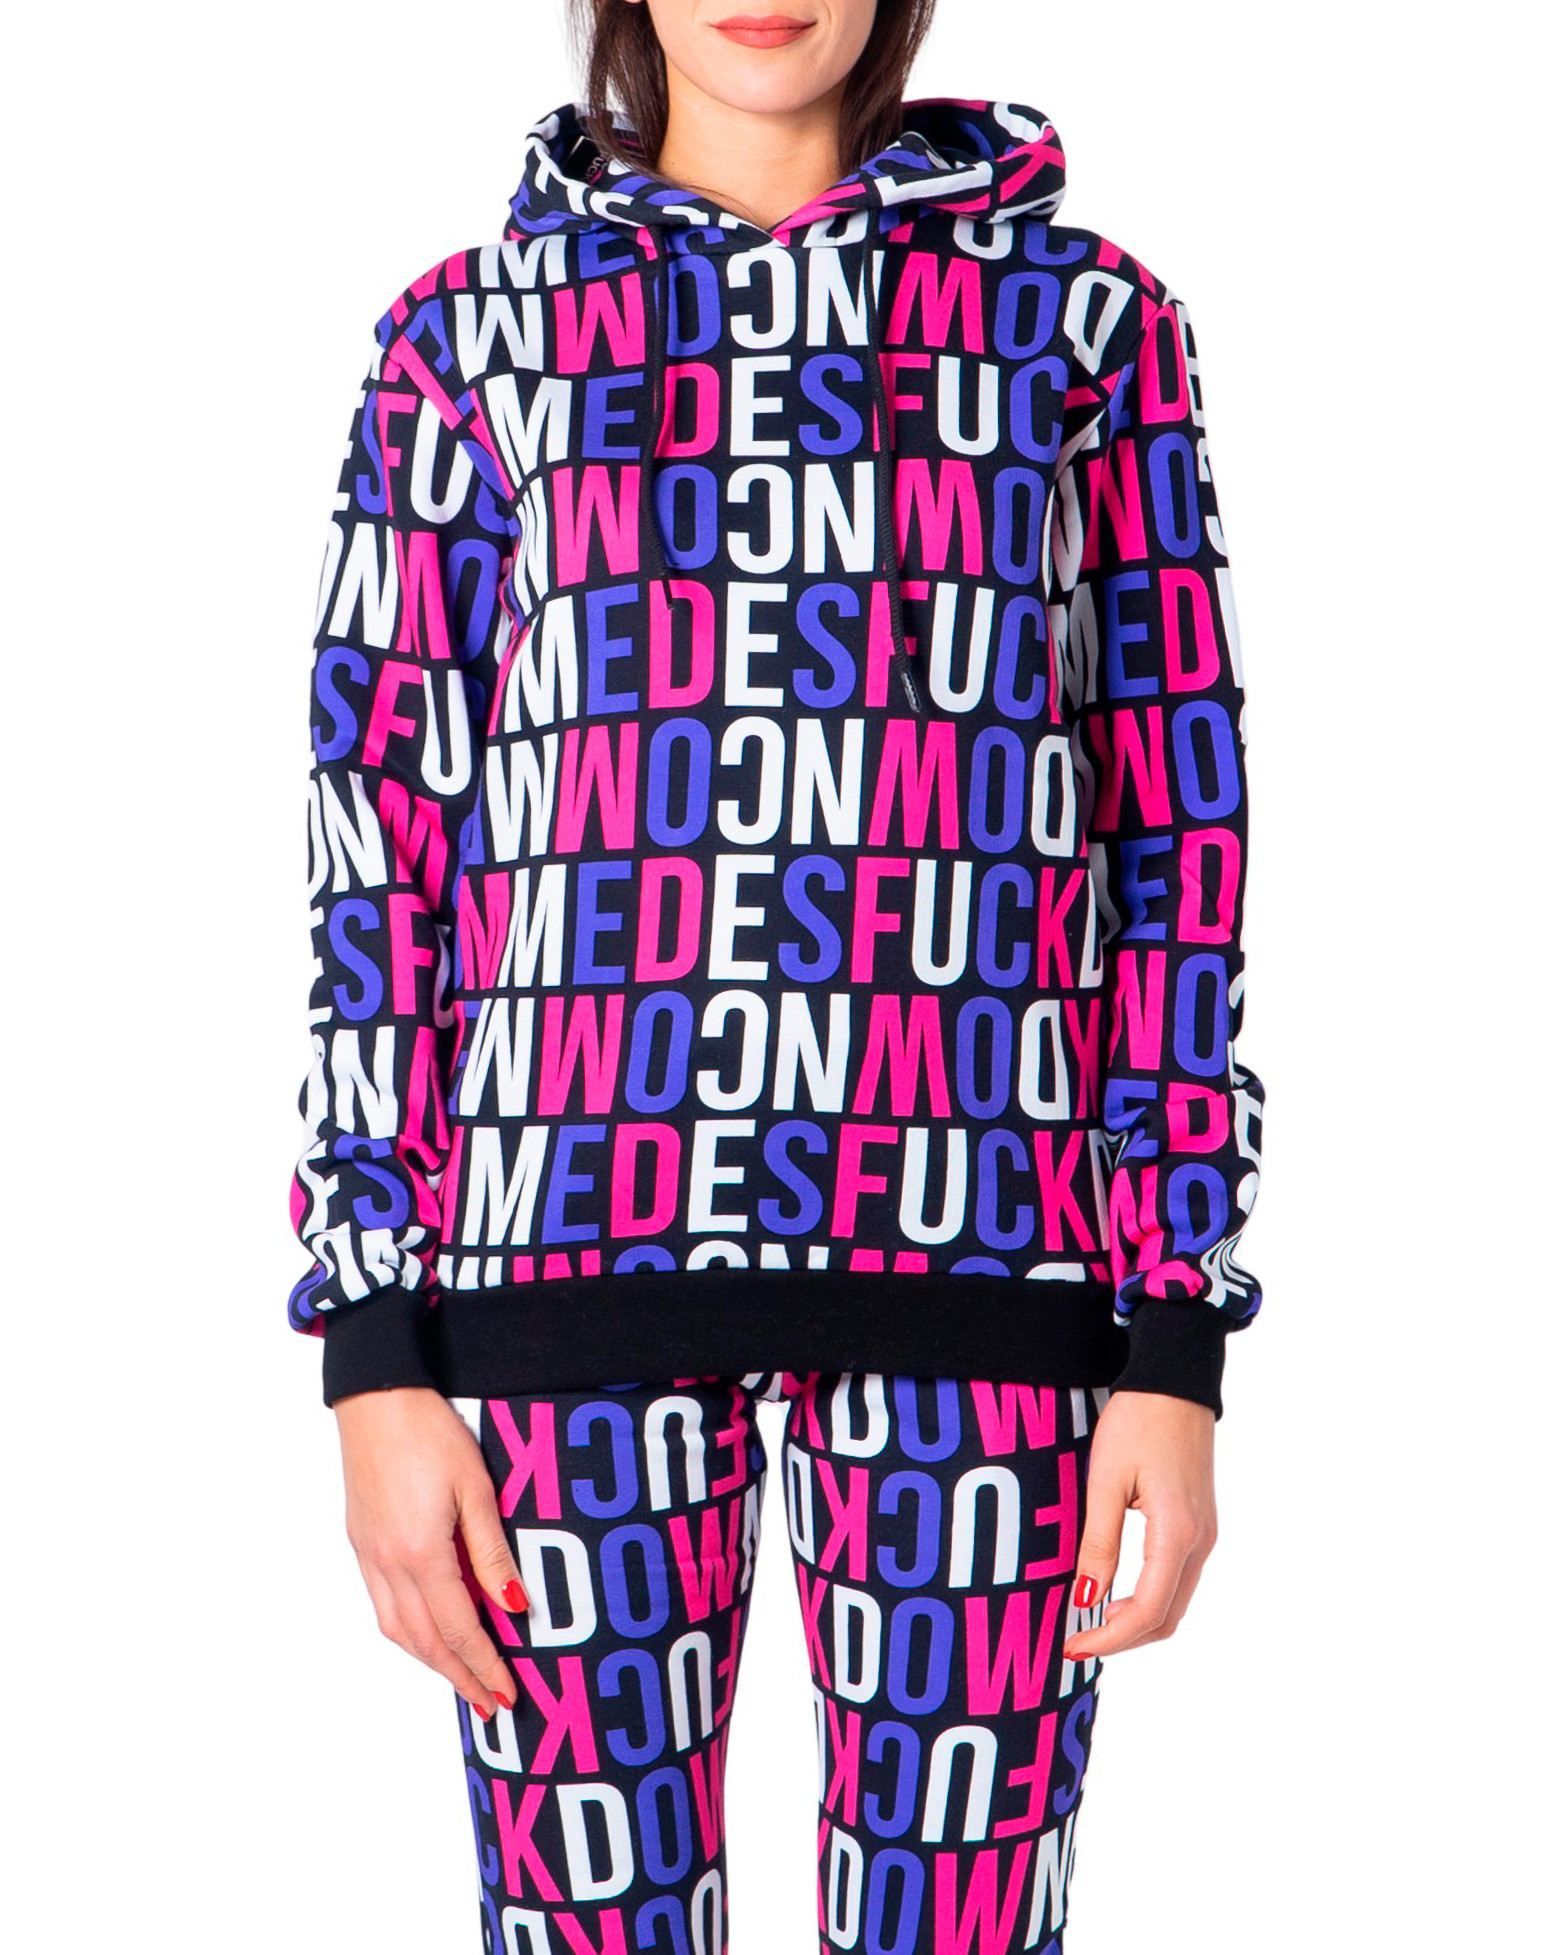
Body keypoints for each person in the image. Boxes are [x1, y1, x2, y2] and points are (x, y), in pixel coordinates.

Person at [286, 1, 1266, 1945]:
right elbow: (380, 835)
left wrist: (1175, 1334)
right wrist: (371, 1343)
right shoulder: (465, 340)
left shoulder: (1085, 327)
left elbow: (1171, 820)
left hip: (989, 1276)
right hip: (553, 1284)